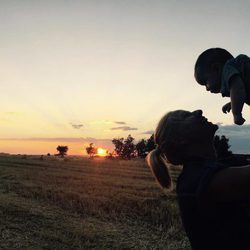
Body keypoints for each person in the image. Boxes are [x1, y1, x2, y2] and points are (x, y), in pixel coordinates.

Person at [147, 109, 250, 250]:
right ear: (180, 140)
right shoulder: (196, 179)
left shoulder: (208, 170)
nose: (198, 111)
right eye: (185, 116)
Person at [194, 48, 250, 125]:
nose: (207, 88)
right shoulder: (239, 78)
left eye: (205, 82)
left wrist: (236, 113)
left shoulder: (227, 69)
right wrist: (233, 103)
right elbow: (242, 92)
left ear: (216, 69)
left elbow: (238, 88)